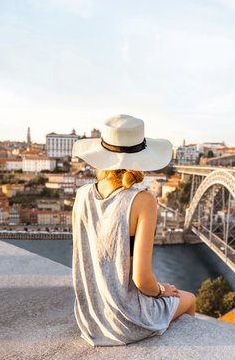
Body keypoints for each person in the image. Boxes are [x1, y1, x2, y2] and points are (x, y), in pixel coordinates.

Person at [71, 114, 196, 346]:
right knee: (188, 298)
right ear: (141, 158)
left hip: (90, 319)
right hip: (126, 322)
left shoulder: (82, 195)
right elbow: (142, 279)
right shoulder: (142, 200)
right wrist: (161, 290)